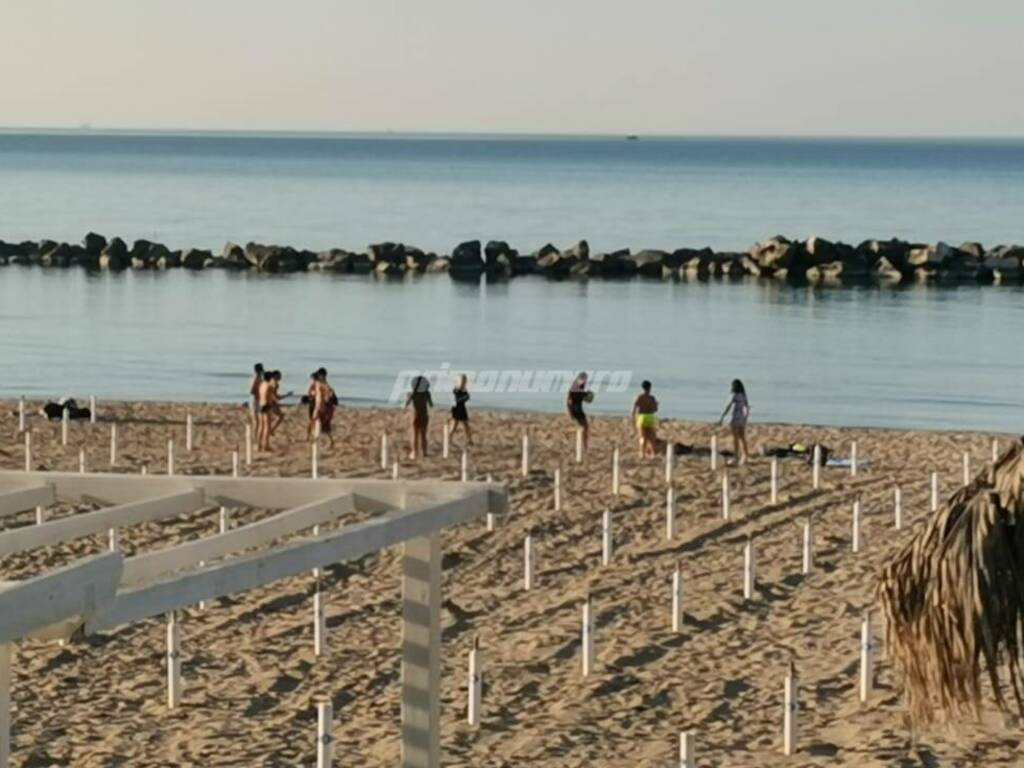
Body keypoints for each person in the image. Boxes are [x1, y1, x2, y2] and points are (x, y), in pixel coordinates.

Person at [718, 379, 751, 465]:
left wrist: (722, 416)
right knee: (742, 437)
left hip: (734, 418)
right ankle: (745, 455)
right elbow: (746, 406)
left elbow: (728, 406)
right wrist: (746, 417)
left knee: (735, 438)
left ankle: (736, 456)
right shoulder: (743, 395)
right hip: (742, 418)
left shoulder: (734, 395)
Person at [405, 375, 433, 460]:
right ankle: (424, 452)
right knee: (423, 435)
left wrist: (408, 397)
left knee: (415, 434)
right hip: (424, 413)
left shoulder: (413, 394)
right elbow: (431, 404)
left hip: (415, 414)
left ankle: (414, 452)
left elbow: (407, 404)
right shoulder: (427, 393)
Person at [631, 380, 659, 458]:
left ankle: (642, 453)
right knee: (651, 436)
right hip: (649, 417)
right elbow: (655, 409)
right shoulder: (651, 398)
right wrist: (656, 405)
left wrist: (633, 418)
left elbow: (634, 409)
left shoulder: (639, 397)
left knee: (642, 436)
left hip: (641, 416)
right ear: (649, 388)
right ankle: (653, 453)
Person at [566, 372, 592, 452]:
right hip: (575, 409)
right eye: (584, 379)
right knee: (584, 427)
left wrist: (587, 395)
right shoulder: (574, 386)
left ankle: (585, 445)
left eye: (585, 379)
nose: (585, 381)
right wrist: (569, 412)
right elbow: (568, 400)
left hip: (579, 409)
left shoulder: (581, 386)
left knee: (585, 427)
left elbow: (580, 397)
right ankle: (584, 446)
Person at [312, 368, 337, 447]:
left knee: (318, 420)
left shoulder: (323, 384)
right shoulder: (321, 383)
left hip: (322, 405)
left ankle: (316, 437)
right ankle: (329, 440)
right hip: (319, 404)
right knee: (321, 422)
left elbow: (328, 394)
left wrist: (327, 399)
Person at [448, 373, 472, 446]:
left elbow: (467, 397)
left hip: (462, 409)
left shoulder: (464, 390)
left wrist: (466, 397)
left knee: (466, 425)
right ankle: (449, 439)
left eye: (464, 382)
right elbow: (455, 400)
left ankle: (469, 440)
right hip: (456, 409)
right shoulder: (456, 390)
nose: (463, 383)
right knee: (454, 426)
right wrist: (465, 398)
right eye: (462, 381)